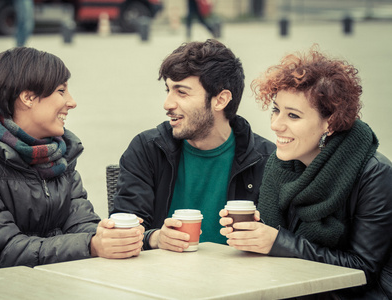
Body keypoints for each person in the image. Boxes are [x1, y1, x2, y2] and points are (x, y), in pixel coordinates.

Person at [0, 47, 144, 274]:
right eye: (61, 91)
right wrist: (92, 245)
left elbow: (81, 224)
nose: (72, 102)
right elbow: (8, 250)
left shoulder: (58, 156)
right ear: (28, 97)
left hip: (52, 282)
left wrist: (117, 236)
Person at [219, 46, 392, 299]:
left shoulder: (375, 176)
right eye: (276, 110)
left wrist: (278, 243)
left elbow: (364, 270)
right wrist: (254, 235)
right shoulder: (281, 164)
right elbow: (277, 242)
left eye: (293, 116)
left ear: (329, 123)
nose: (276, 125)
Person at [112, 39, 275, 253]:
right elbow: (121, 232)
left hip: (241, 281)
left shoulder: (268, 159)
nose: (167, 104)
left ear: (220, 100)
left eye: (182, 92)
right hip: (160, 279)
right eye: (168, 90)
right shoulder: (147, 149)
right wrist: (156, 238)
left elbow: (284, 238)